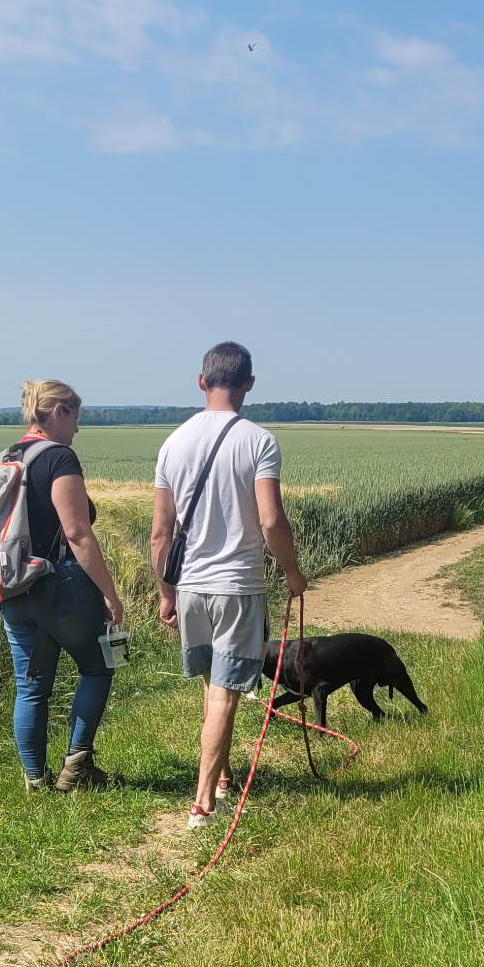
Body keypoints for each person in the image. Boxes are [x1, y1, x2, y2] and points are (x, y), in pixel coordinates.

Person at [150, 341, 307, 829]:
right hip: (238, 587)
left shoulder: (173, 443)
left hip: (191, 588)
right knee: (224, 694)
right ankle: (203, 804)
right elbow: (271, 519)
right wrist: (292, 572)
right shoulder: (258, 441)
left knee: (213, 687)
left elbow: (159, 533)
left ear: (202, 381)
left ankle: (221, 776)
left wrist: (166, 592)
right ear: (249, 384)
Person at [0, 379, 124, 792]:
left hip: (14, 587)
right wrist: (109, 593)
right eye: (75, 418)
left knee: (30, 688)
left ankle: (35, 780)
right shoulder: (59, 458)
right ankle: (77, 767)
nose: (77, 428)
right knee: (99, 665)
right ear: (59, 412)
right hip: (59, 585)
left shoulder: (9, 457)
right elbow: (77, 533)